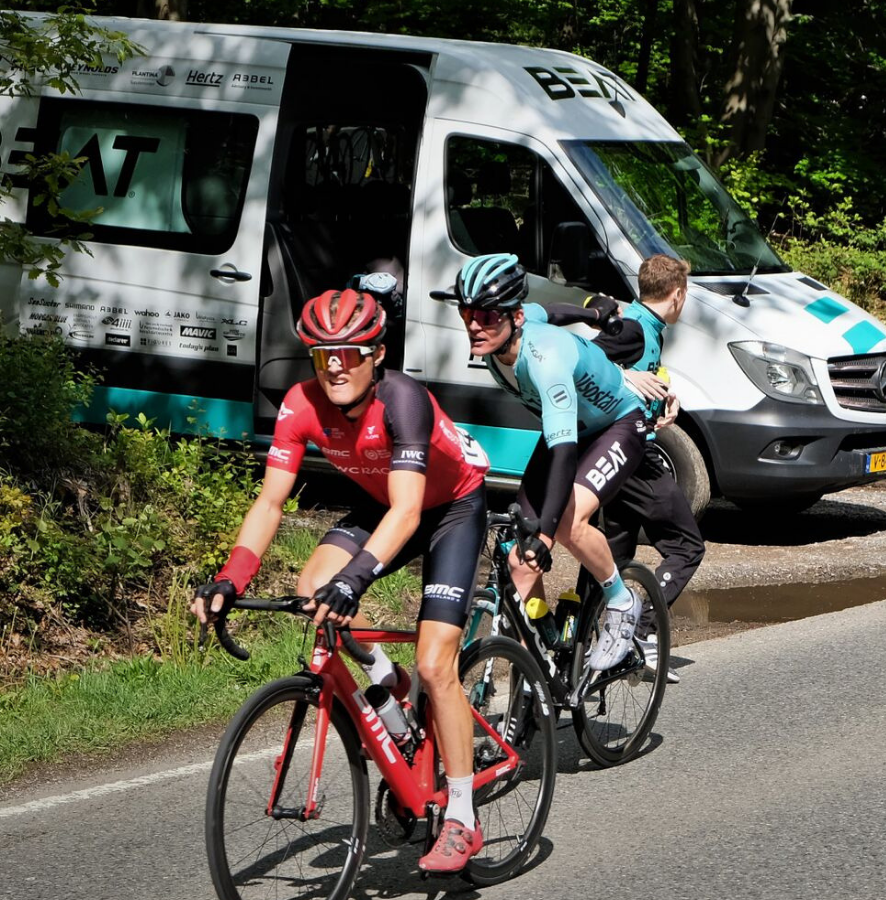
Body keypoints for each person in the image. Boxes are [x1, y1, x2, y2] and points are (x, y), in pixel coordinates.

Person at [192, 288, 491, 873]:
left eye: (349, 352)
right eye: (321, 352)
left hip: (450, 507)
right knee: (313, 593)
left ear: (376, 353)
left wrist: (356, 579)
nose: (334, 364)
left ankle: (461, 814)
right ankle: (387, 685)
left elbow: (409, 514)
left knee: (436, 663)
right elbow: (271, 503)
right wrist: (230, 577)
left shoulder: (403, 400)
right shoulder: (300, 405)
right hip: (386, 503)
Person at [455, 253, 649, 673]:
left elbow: (562, 454)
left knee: (563, 523)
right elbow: (551, 311)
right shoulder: (503, 335)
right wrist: (592, 313)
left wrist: (545, 538)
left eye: (486, 315)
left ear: (513, 318)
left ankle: (621, 600)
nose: (474, 324)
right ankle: (547, 657)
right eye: (467, 312)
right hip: (572, 428)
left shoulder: (546, 363)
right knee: (517, 561)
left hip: (617, 423)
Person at [585, 255, 706, 684]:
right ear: (678, 294)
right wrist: (626, 377)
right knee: (687, 547)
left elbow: (638, 372)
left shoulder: (644, 325)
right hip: (632, 455)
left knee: (612, 557)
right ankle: (641, 632)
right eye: (685, 294)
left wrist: (663, 400)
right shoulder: (634, 327)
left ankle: (577, 650)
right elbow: (586, 359)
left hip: (624, 443)